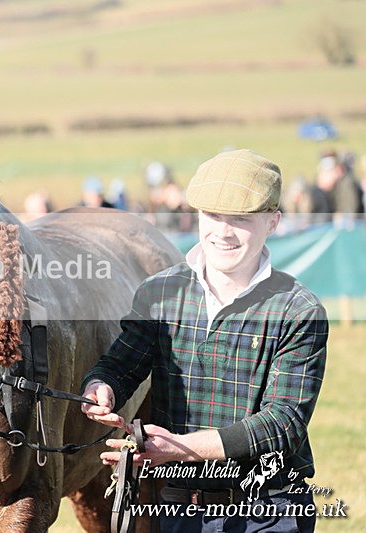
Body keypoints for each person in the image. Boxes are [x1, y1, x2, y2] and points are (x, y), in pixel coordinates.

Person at [81, 150, 328, 532]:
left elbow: (283, 425)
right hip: (176, 509)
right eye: (212, 215)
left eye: (241, 219)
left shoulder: (299, 310)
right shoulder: (159, 292)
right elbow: (121, 364)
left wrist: (180, 449)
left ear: (273, 221)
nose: (223, 231)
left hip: (268, 510)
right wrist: (102, 386)